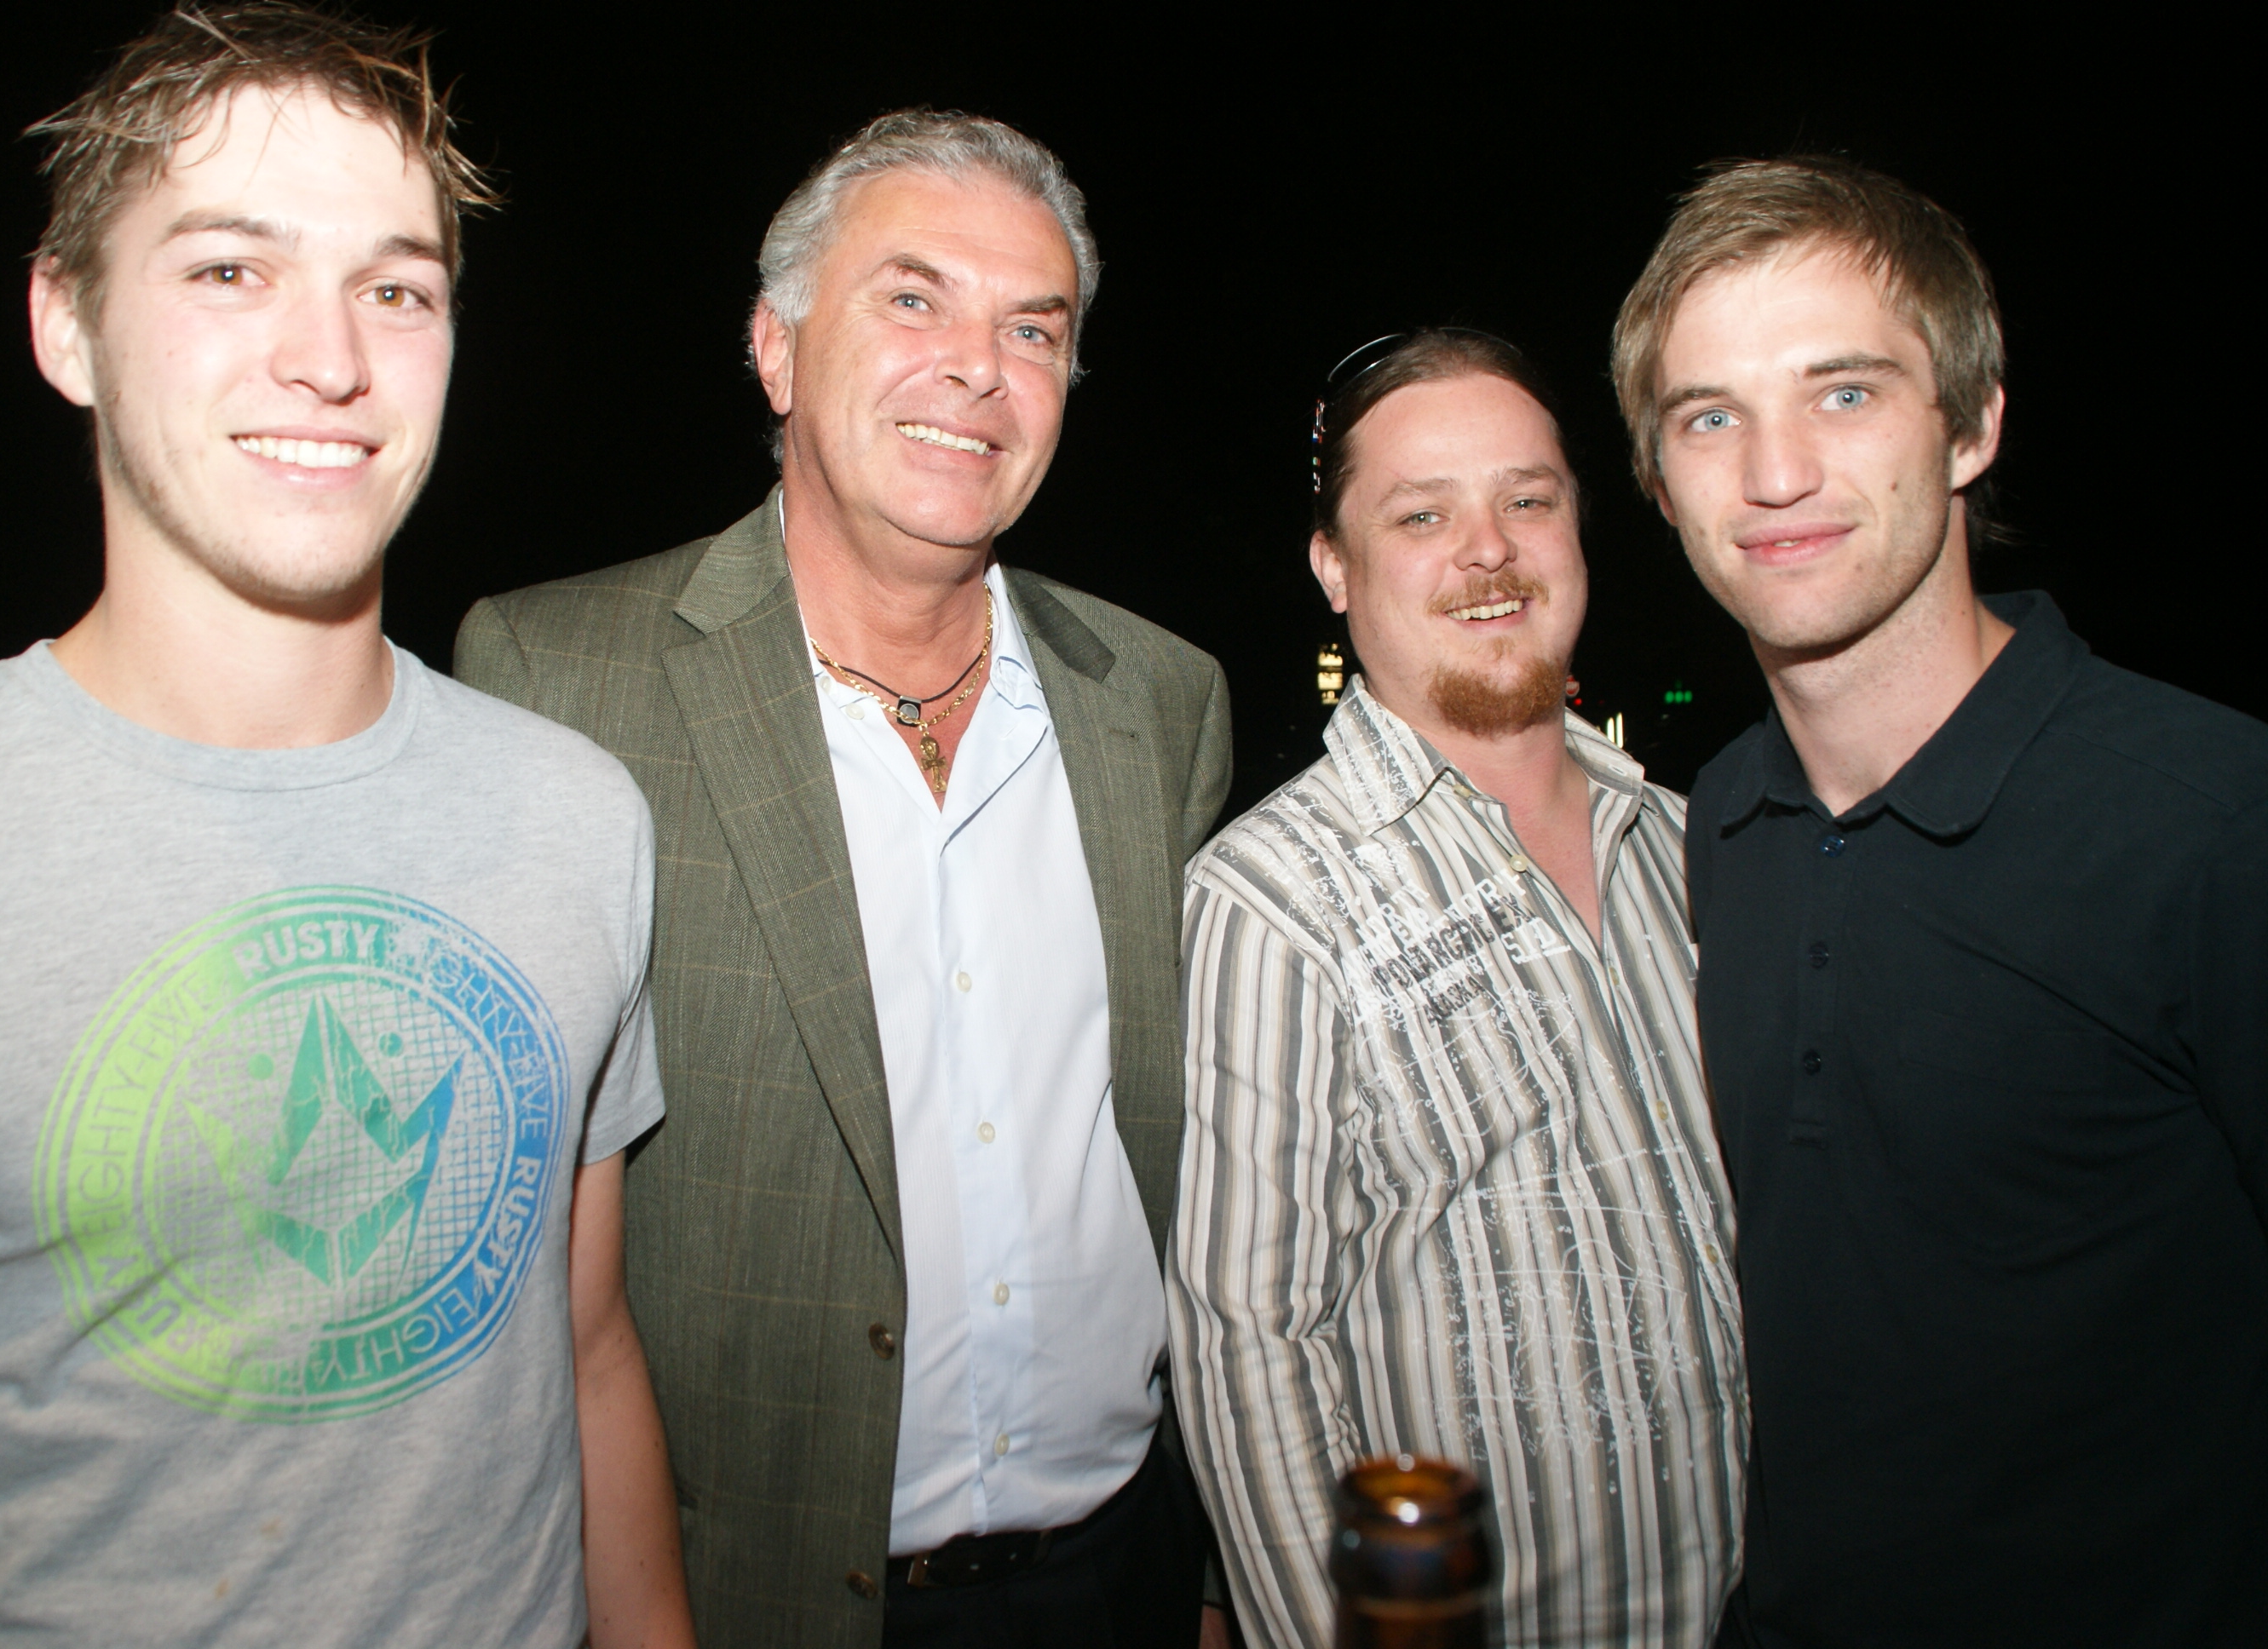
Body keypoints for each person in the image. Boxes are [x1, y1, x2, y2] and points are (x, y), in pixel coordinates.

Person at [0, 9, 694, 1645]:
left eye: (396, 289)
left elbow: (586, 1354)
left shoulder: (580, 819)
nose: (330, 357)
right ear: (65, 324)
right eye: (229, 269)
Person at [458, 110, 1232, 1648]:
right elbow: (514, 1262)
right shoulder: (558, 681)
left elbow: (1208, 1190)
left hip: (1126, 1569)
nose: (978, 368)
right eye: (914, 298)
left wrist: (1216, 1582)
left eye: (1033, 328)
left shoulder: (1164, 699)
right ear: (776, 348)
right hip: (754, 1595)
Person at [1612, 155, 2268, 1646]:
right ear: (1660, 485)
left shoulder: (2214, 823)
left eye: (1844, 393)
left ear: (1971, 425)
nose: (1775, 473)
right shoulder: (1716, 823)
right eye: (1709, 417)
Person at [1171, 328, 1746, 1649]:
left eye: (1526, 500)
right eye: (1422, 515)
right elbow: (1247, 1344)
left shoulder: (1691, 846)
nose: (1490, 550)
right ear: (1335, 565)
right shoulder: (1276, 895)